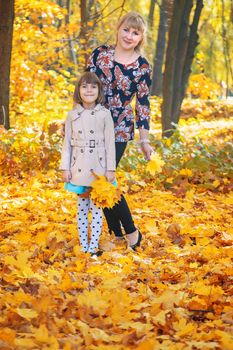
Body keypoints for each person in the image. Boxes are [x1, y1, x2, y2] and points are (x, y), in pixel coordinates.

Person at [86, 11, 153, 249]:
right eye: (126, 29)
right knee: (96, 178)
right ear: (118, 28)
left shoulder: (143, 66)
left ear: (141, 38)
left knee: (106, 177)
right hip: (92, 123)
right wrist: (74, 119)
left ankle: (132, 232)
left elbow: (143, 105)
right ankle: (116, 234)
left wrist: (145, 141)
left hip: (120, 127)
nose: (129, 35)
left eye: (135, 33)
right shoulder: (99, 55)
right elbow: (85, 87)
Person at [60, 72, 116, 256]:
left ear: (99, 90)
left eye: (93, 86)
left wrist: (110, 168)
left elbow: (110, 143)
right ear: (78, 90)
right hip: (79, 167)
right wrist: (65, 167)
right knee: (82, 208)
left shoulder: (104, 114)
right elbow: (66, 143)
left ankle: (94, 247)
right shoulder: (72, 114)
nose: (89, 90)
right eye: (84, 86)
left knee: (97, 209)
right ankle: (84, 246)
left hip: (98, 168)